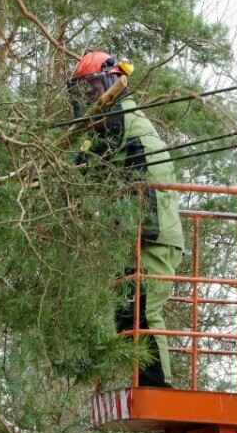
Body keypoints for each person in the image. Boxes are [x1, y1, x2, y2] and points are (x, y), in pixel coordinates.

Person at [68, 51, 184, 388]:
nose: (89, 100)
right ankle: (145, 383)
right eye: (83, 94)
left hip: (153, 235)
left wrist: (79, 163)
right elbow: (90, 158)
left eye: (91, 90)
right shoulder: (114, 124)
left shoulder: (126, 121)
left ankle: (159, 389)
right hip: (136, 235)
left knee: (144, 312)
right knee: (126, 313)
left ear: (111, 82)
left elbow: (97, 156)